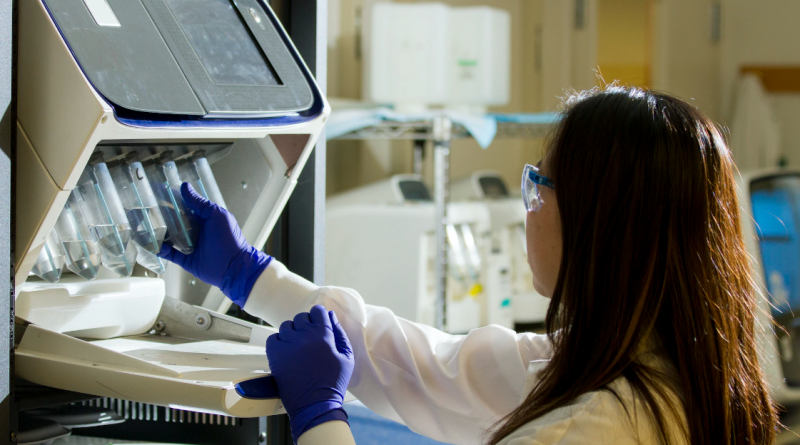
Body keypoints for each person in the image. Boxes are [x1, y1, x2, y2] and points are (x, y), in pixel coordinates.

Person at [159, 86, 778, 445]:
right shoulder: (654, 370)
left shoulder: (591, 430)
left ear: (598, 224)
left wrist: (322, 418)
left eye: (539, 186)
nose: (528, 206)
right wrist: (251, 275)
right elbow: (426, 366)